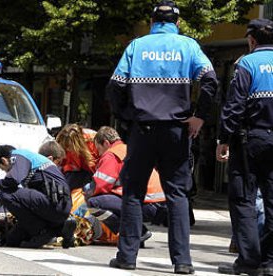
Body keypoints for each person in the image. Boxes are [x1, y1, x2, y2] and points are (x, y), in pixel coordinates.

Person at [106, 1, 217, 274]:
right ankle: (182, 262)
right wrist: (199, 116)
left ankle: (128, 257)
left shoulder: (136, 46)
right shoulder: (189, 46)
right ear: (177, 23)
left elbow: (115, 86)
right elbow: (211, 80)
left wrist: (126, 118)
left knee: (133, 192)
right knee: (177, 195)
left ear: (152, 21)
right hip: (177, 131)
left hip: (142, 129)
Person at [216, 18, 273, 276]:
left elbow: (234, 106)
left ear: (252, 40)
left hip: (251, 140)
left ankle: (250, 261)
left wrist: (224, 139)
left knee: (243, 200)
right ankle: (269, 260)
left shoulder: (246, 64)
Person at [0, 145, 76, 248]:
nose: (7, 173)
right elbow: (24, 200)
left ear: (4, 160)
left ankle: (42, 232)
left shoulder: (18, 155)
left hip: (52, 202)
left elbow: (13, 181)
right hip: (59, 206)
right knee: (12, 239)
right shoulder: (31, 161)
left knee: (6, 194)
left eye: (5, 170)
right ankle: (61, 227)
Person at [83, 126, 152, 243]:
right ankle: (140, 232)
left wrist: (87, 192)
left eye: (99, 149)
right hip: (154, 202)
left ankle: (135, 233)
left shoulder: (111, 154)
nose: (99, 154)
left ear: (106, 143)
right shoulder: (127, 149)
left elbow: (101, 185)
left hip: (144, 202)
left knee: (93, 203)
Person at [56, 123, 98, 190]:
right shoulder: (65, 143)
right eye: (65, 147)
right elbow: (63, 164)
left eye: (69, 146)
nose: (67, 149)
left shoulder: (93, 142)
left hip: (93, 174)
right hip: (78, 172)